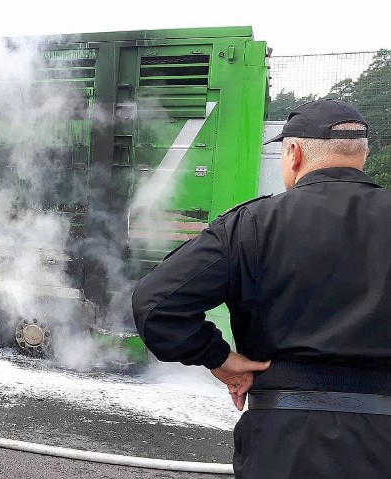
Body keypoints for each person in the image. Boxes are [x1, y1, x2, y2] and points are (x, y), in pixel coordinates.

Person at [132, 99, 391, 478]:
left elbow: (155, 304)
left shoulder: (252, 224)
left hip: (284, 442)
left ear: (294, 153)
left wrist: (221, 359)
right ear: (362, 155)